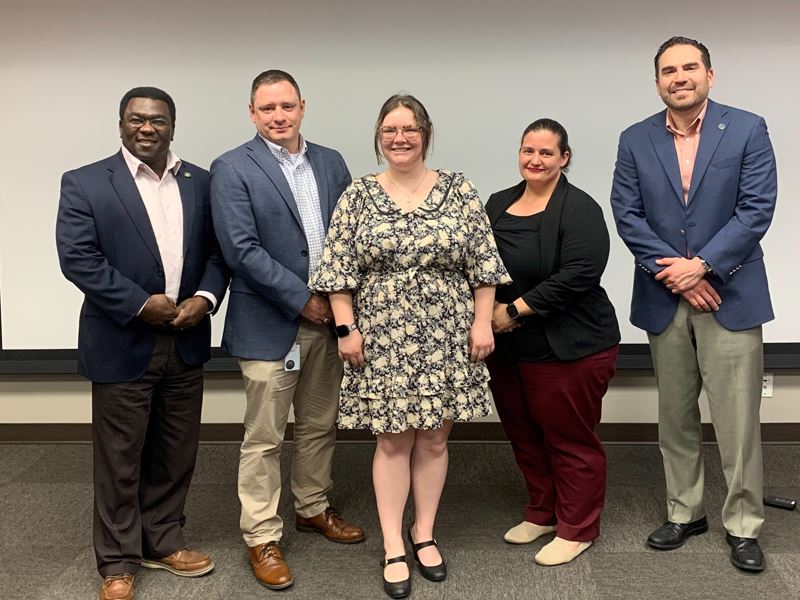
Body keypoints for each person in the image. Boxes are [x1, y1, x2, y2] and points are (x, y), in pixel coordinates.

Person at [309, 93, 510, 599]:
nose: (400, 138)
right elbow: (338, 272)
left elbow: (483, 267)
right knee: (393, 441)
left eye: (409, 129)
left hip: (447, 333)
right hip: (381, 336)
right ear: (379, 137)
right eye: (390, 130)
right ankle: (393, 543)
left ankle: (424, 533)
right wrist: (345, 328)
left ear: (426, 134)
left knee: (436, 439)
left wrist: (482, 324)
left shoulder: (459, 190)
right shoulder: (358, 195)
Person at [610, 36, 777, 572]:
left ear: (709, 74)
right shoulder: (635, 138)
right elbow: (627, 214)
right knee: (675, 416)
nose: (678, 77)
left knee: (737, 421)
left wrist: (702, 265)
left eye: (688, 68)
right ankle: (686, 512)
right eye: (668, 70)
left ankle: (743, 525)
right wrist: (679, 276)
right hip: (666, 296)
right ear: (657, 81)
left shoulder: (747, 128)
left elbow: (756, 209)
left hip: (730, 294)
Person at [56, 86, 229, 600]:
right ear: (121, 124)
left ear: (172, 126)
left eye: (157, 120)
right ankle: (117, 561)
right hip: (122, 339)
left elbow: (219, 253)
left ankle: (163, 540)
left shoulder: (202, 182)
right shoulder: (86, 182)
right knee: (120, 458)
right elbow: (78, 258)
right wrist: (139, 303)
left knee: (176, 451)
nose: (147, 128)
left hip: (187, 337)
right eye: (136, 119)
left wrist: (205, 298)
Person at [210, 69, 364, 591]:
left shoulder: (331, 161)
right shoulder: (232, 167)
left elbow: (350, 236)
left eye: (287, 106)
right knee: (265, 436)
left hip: (330, 321)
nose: (278, 116)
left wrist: (340, 307)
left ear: (302, 107)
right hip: (270, 322)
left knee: (320, 423)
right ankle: (261, 535)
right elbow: (240, 250)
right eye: (267, 108)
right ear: (252, 113)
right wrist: (303, 301)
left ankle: (312, 507)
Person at [484, 119, 620, 566]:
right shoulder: (498, 203)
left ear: (564, 158)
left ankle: (577, 528)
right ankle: (543, 512)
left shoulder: (579, 208)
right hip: (510, 349)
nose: (535, 160)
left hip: (571, 346)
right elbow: (479, 262)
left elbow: (578, 275)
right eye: (528, 150)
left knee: (569, 439)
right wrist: (487, 312)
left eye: (546, 153)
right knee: (524, 434)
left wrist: (512, 311)